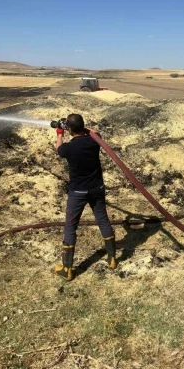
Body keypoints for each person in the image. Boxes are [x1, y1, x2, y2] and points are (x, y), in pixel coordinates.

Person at [54, 113, 117, 281]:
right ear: (83, 127)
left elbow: (59, 149)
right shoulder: (94, 141)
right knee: (102, 219)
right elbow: (95, 131)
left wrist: (60, 133)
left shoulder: (69, 147)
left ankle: (67, 269)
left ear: (69, 129)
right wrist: (78, 127)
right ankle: (112, 259)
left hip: (78, 192)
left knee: (70, 227)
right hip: (97, 188)